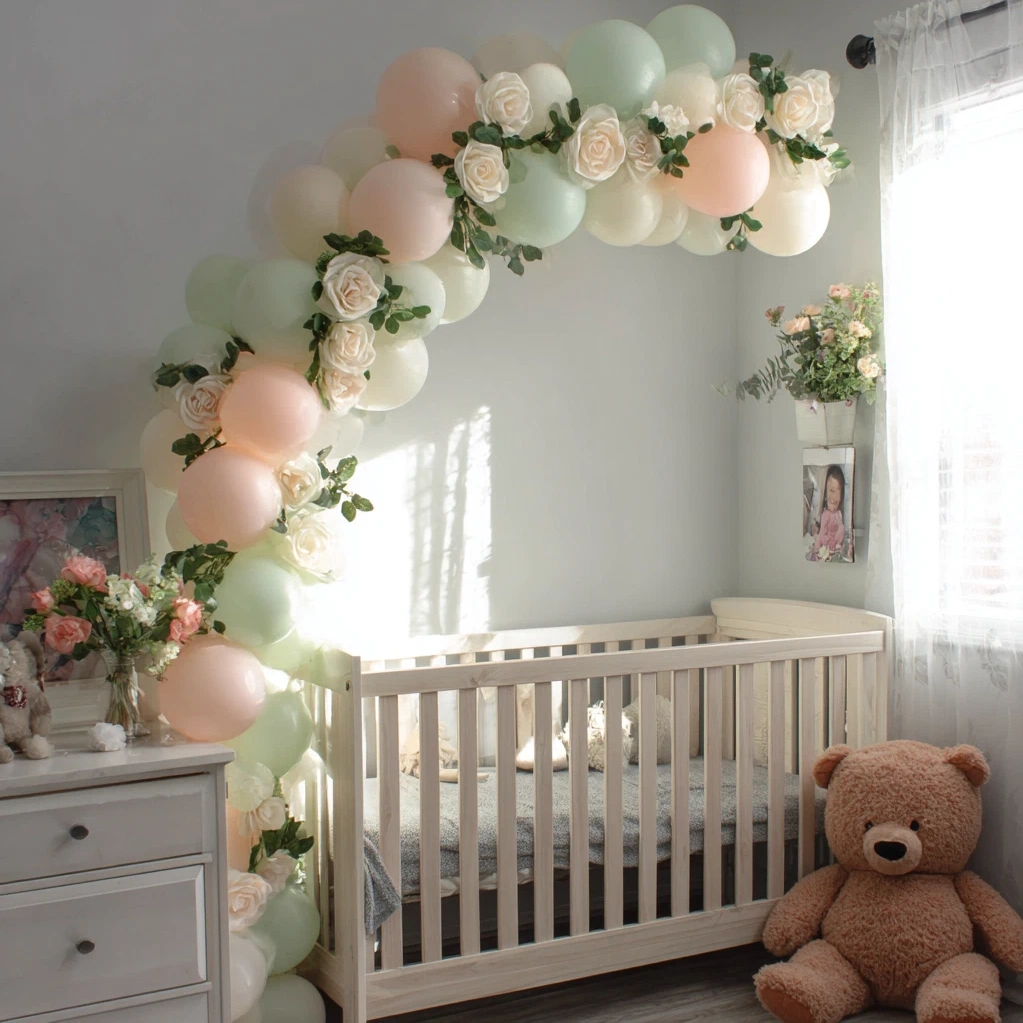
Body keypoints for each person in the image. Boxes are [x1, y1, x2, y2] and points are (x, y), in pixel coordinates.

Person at [809, 465, 846, 561]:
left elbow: (840, 528)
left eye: (838, 491)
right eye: (832, 491)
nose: (835, 496)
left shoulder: (839, 513)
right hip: (826, 540)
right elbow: (823, 531)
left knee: (842, 528)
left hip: (835, 541)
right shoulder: (825, 514)